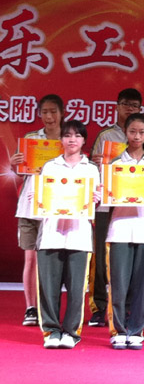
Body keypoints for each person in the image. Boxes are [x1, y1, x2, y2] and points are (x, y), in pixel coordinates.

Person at [89, 88, 144, 327]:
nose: (130, 108)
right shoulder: (105, 136)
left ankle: (129, 309)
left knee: (134, 266)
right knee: (103, 260)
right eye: (126, 104)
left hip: (139, 210)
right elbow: (93, 170)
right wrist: (98, 164)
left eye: (135, 105)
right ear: (117, 106)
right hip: (108, 207)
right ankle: (100, 306)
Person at [34, 120, 101, 348]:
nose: (72, 139)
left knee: (76, 289)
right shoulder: (50, 167)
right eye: (67, 135)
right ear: (61, 139)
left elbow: (96, 204)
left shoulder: (91, 169)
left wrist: (96, 199)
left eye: (77, 135)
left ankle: (71, 333)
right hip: (51, 234)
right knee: (48, 287)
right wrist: (39, 199)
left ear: (84, 140)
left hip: (79, 236)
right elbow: (41, 199)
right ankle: (51, 331)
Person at [105, 113, 144, 350]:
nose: (137, 136)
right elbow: (106, 201)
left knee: (143, 284)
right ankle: (119, 330)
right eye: (132, 132)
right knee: (118, 284)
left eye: (141, 132)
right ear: (125, 133)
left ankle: (136, 330)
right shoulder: (115, 165)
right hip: (120, 229)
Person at [10, 94, 64, 327]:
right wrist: (15, 165)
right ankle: (31, 308)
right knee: (30, 258)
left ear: (62, 113)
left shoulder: (68, 140)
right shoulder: (31, 140)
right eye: (44, 112)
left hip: (57, 209)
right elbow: (20, 172)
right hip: (29, 207)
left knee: (52, 261)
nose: (49, 116)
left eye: (53, 111)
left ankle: (48, 307)